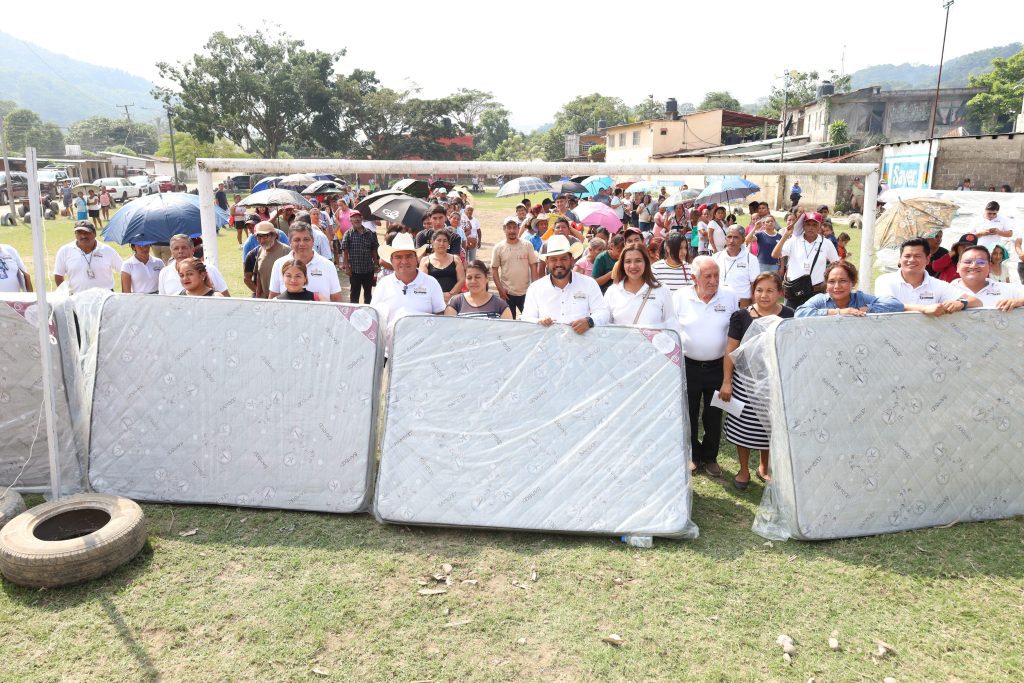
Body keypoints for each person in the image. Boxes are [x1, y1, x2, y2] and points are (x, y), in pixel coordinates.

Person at [720, 271, 793, 489]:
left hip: (774, 383)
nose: (764, 295)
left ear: (779, 292)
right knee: (744, 427)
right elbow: (730, 351)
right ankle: (743, 470)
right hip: (745, 383)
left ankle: (764, 466)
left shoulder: (788, 315)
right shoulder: (741, 316)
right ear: (753, 292)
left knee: (769, 427)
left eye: (770, 290)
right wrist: (727, 381)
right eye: (759, 290)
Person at [673, 256, 739, 477]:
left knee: (713, 415)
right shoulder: (680, 297)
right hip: (688, 367)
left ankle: (710, 457)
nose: (713, 280)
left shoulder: (729, 296)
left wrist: (728, 377)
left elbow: (736, 332)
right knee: (689, 413)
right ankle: (693, 455)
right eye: (707, 276)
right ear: (694, 278)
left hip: (718, 367)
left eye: (716, 275)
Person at [522, 235, 608, 332]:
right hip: (547, 345)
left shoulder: (589, 284)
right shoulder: (535, 288)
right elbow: (526, 318)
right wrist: (539, 321)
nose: (559, 264)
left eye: (563, 258)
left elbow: (603, 312)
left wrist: (589, 321)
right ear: (547, 262)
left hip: (582, 345)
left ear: (571, 261)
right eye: (553, 259)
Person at [874, 237, 980, 315]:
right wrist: (924, 309)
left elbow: (976, 302)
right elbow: (886, 306)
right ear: (900, 259)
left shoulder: (938, 285)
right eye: (907, 256)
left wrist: (961, 303)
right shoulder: (885, 280)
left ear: (928, 259)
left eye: (917, 256)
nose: (911, 260)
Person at [371, 233, 446, 343]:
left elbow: (440, 315)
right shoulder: (384, 284)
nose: (404, 261)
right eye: (398, 257)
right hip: (388, 351)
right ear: (391, 261)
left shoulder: (431, 283)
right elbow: (374, 316)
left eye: (409, 256)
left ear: (416, 259)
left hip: (421, 351)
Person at [772, 211, 840, 308]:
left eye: (814, 224)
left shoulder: (826, 243)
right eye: (808, 224)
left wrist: (829, 280)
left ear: (820, 226)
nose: (811, 227)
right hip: (794, 291)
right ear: (803, 226)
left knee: (812, 321)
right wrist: (785, 236)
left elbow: (836, 264)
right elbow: (775, 254)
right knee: (791, 320)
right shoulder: (794, 241)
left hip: (816, 292)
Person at [604, 245, 678, 329]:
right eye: (628, 261)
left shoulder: (662, 290)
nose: (633, 266)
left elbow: (672, 324)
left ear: (646, 263)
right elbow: (604, 325)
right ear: (622, 265)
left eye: (638, 261)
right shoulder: (612, 291)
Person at [796, 261, 904, 317]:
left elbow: (896, 305)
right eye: (831, 281)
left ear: (853, 283)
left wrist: (867, 309)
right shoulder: (821, 300)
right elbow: (800, 313)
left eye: (843, 281)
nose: (837, 286)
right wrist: (838, 312)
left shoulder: (860, 298)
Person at [268, 223, 343, 302]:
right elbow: (273, 297)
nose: (302, 244)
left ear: (313, 241)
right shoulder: (279, 264)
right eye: (297, 240)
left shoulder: (328, 265)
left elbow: (336, 299)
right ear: (290, 242)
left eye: (306, 239)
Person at [491, 215, 540, 319]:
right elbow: (494, 269)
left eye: (514, 227)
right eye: (509, 228)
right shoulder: (498, 248)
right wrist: (500, 289)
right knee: (509, 322)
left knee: (530, 321)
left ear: (518, 229)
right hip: (507, 293)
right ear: (504, 229)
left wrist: (534, 288)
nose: (512, 231)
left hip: (526, 292)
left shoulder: (527, 245)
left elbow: (533, 266)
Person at [53, 221, 123, 293]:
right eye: (79, 233)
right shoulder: (64, 251)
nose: (83, 236)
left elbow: (123, 271)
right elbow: (58, 275)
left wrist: (125, 291)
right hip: (76, 298)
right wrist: (64, 295)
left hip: (105, 298)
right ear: (75, 235)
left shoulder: (107, 250)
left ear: (94, 234)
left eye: (87, 233)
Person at [950, 245, 1024, 310]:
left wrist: (1020, 301)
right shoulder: (945, 290)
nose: (973, 266)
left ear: (989, 267)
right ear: (958, 267)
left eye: (981, 262)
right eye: (968, 262)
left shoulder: (1007, 290)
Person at [159, 234, 231, 296]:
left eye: (184, 248)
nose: (180, 251)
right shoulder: (165, 272)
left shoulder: (209, 269)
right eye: (176, 248)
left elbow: (226, 298)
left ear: (193, 250)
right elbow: (163, 301)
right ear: (171, 251)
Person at [445, 260, 512, 319]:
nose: (473, 281)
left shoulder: (500, 305)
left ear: (487, 278)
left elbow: (507, 331)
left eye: (477, 277)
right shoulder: (456, 302)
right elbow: (449, 329)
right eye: (469, 278)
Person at [339, 209, 380, 304]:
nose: (357, 220)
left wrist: (376, 264)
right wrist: (347, 267)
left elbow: (373, 249)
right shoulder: (348, 234)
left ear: (361, 219)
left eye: (358, 217)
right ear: (351, 220)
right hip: (354, 270)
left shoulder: (369, 233)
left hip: (368, 269)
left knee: (368, 293)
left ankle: (368, 311)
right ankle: (354, 313)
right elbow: (345, 251)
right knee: (354, 293)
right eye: (354, 218)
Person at [714, 226, 759, 306]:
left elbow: (755, 285)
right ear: (725, 238)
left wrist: (754, 308)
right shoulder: (716, 257)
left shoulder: (751, 259)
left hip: (742, 306)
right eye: (729, 237)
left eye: (736, 237)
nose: (731, 241)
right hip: (719, 305)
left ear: (743, 240)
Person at [246, 221, 291, 298]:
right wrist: (258, 295)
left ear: (274, 236)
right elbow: (259, 275)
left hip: (282, 300)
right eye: (258, 237)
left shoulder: (287, 251)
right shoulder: (260, 250)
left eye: (265, 236)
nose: (262, 241)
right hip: (265, 299)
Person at [419, 230, 465, 304]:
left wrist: (450, 294)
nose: (442, 243)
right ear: (432, 242)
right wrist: (439, 296)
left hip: (454, 300)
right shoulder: (425, 260)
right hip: (432, 300)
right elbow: (423, 282)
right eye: (439, 240)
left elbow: (462, 280)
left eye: (445, 241)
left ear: (448, 244)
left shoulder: (456, 259)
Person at [748, 208, 782, 272]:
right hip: (761, 264)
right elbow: (748, 240)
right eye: (767, 222)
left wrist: (782, 267)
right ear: (764, 224)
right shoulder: (760, 234)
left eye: (772, 221)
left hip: (774, 264)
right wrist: (755, 228)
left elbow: (781, 253)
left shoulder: (779, 236)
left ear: (775, 223)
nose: (770, 223)